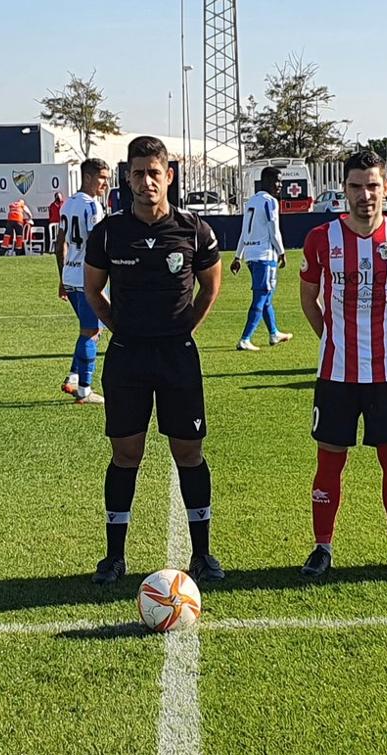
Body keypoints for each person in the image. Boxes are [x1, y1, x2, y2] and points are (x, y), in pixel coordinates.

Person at [83, 135, 225, 584]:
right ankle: (114, 558)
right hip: (127, 357)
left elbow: (211, 287)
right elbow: (92, 291)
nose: (146, 181)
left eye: (154, 173)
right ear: (127, 178)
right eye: (138, 173)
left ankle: (202, 554)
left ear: (169, 176)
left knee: (189, 451)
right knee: (127, 453)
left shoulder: (194, 229)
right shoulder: (108, 232)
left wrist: (185, 330)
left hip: (177, 357)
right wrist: (118, 327)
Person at [297, 150, 387, 579]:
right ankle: (322, 548)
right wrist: (332, 340)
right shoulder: (320, 239)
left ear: (385, 188)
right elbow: (307, 297)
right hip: (336, 375)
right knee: (329, 462)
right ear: (344, 190)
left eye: (372, 185)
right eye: (355, 186)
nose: (364, 195)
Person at [56, 158, 112, 405]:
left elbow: (60, 245)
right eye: (102, 178)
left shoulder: (67, 204)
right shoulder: (92, 207)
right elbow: (98, 245)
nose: (106, 183)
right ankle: (84, 390)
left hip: (71, 274)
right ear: (88, 177)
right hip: (88, 277)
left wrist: (61, 277)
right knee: (90, 332)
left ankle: (74, 378)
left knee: (90, 330)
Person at [232, 166, 292, 351]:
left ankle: (274, 333)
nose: (280, 185)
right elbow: (274, 231)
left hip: (251, 255)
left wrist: (238, 256)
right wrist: (281, 252)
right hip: (265, 255)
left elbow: (244, 231)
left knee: (266, 296)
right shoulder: (270, 202)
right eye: (277, 181)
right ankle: (245, 338)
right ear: (267, 182)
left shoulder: (251, 201)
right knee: (262, 296)